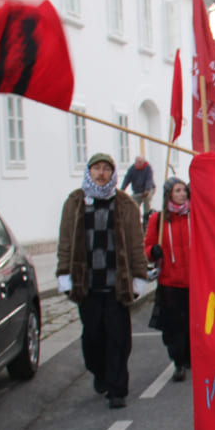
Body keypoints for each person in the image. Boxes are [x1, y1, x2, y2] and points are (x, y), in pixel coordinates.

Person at [56, 153, 148, 409]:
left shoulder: (125, 204)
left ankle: (117, 390)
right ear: (89, 172)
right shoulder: (74, 203)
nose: (101, 173)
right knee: (92, 338)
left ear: (112, 174)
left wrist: (138, 276)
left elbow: (136, 244)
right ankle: (100, 372)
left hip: (116, 284)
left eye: (106, 169)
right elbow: (65, 240)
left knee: (119, 339)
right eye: (96, 168)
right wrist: (64, 273)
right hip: (88, 285)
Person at [144, 178, 192, 381]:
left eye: (184, 190)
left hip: (193, 282)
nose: (182, 194)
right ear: (168, 195)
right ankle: (178, 362)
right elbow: (147, 247)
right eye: (177, 191)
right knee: (173, 327)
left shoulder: (194, 216)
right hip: (169, 283)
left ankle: (190, 358)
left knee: (191, 324)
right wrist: (153, 251)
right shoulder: (159, 219)